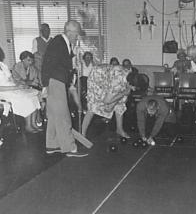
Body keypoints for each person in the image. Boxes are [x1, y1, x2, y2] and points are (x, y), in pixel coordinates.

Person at [41, 20, 88, 157]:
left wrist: (73, 58)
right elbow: (47, 64)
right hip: (55, 82)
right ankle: (70, 148)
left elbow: (61, 63)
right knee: (63, 116)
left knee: (54, 115)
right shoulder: (59, 42)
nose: (77, 37)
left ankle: (52, 145)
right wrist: (45, 85)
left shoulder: (64, 44)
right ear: (70, 32)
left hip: (57, 82)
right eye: (77, 34)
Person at [81, 64, 133, 138]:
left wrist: (116, 102)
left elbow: (123, 97)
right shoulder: (117, 81)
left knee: (121, 102)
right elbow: (106, 101)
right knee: (94, 103)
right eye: (133, 87)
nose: (133, 90)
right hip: (97, 77)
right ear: (129, 83)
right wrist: (123, 94)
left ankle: (119, 129)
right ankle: (82, 133)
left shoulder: (131, 75)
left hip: (109, 77)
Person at [0, 47, 41, 133]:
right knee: (26, 98)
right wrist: (15, 87)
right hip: (3, 91)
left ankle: (33, 123)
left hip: (11, 87)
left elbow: (12, 80)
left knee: (33, 95)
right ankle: (28, 126)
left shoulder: (3, 65)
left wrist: (20, 84)